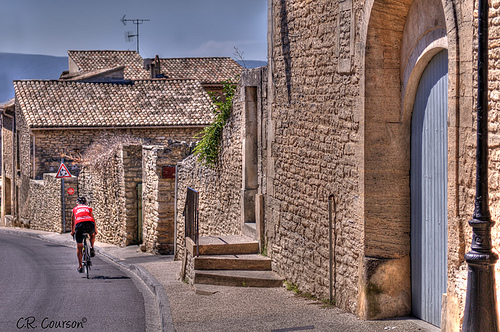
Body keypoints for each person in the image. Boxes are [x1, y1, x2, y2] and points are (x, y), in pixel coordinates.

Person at [71, 196, 98, 273]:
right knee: (92, 235)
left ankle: (80, 266)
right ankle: (92, 247)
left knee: (79, 246)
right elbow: (93, 219)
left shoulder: (75, 209)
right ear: (85, 203)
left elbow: (73, 222)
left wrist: (73, 231)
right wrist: (95, 230)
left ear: (77, 203)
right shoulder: (89, 208)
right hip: (90, 223)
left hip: (79, 225)